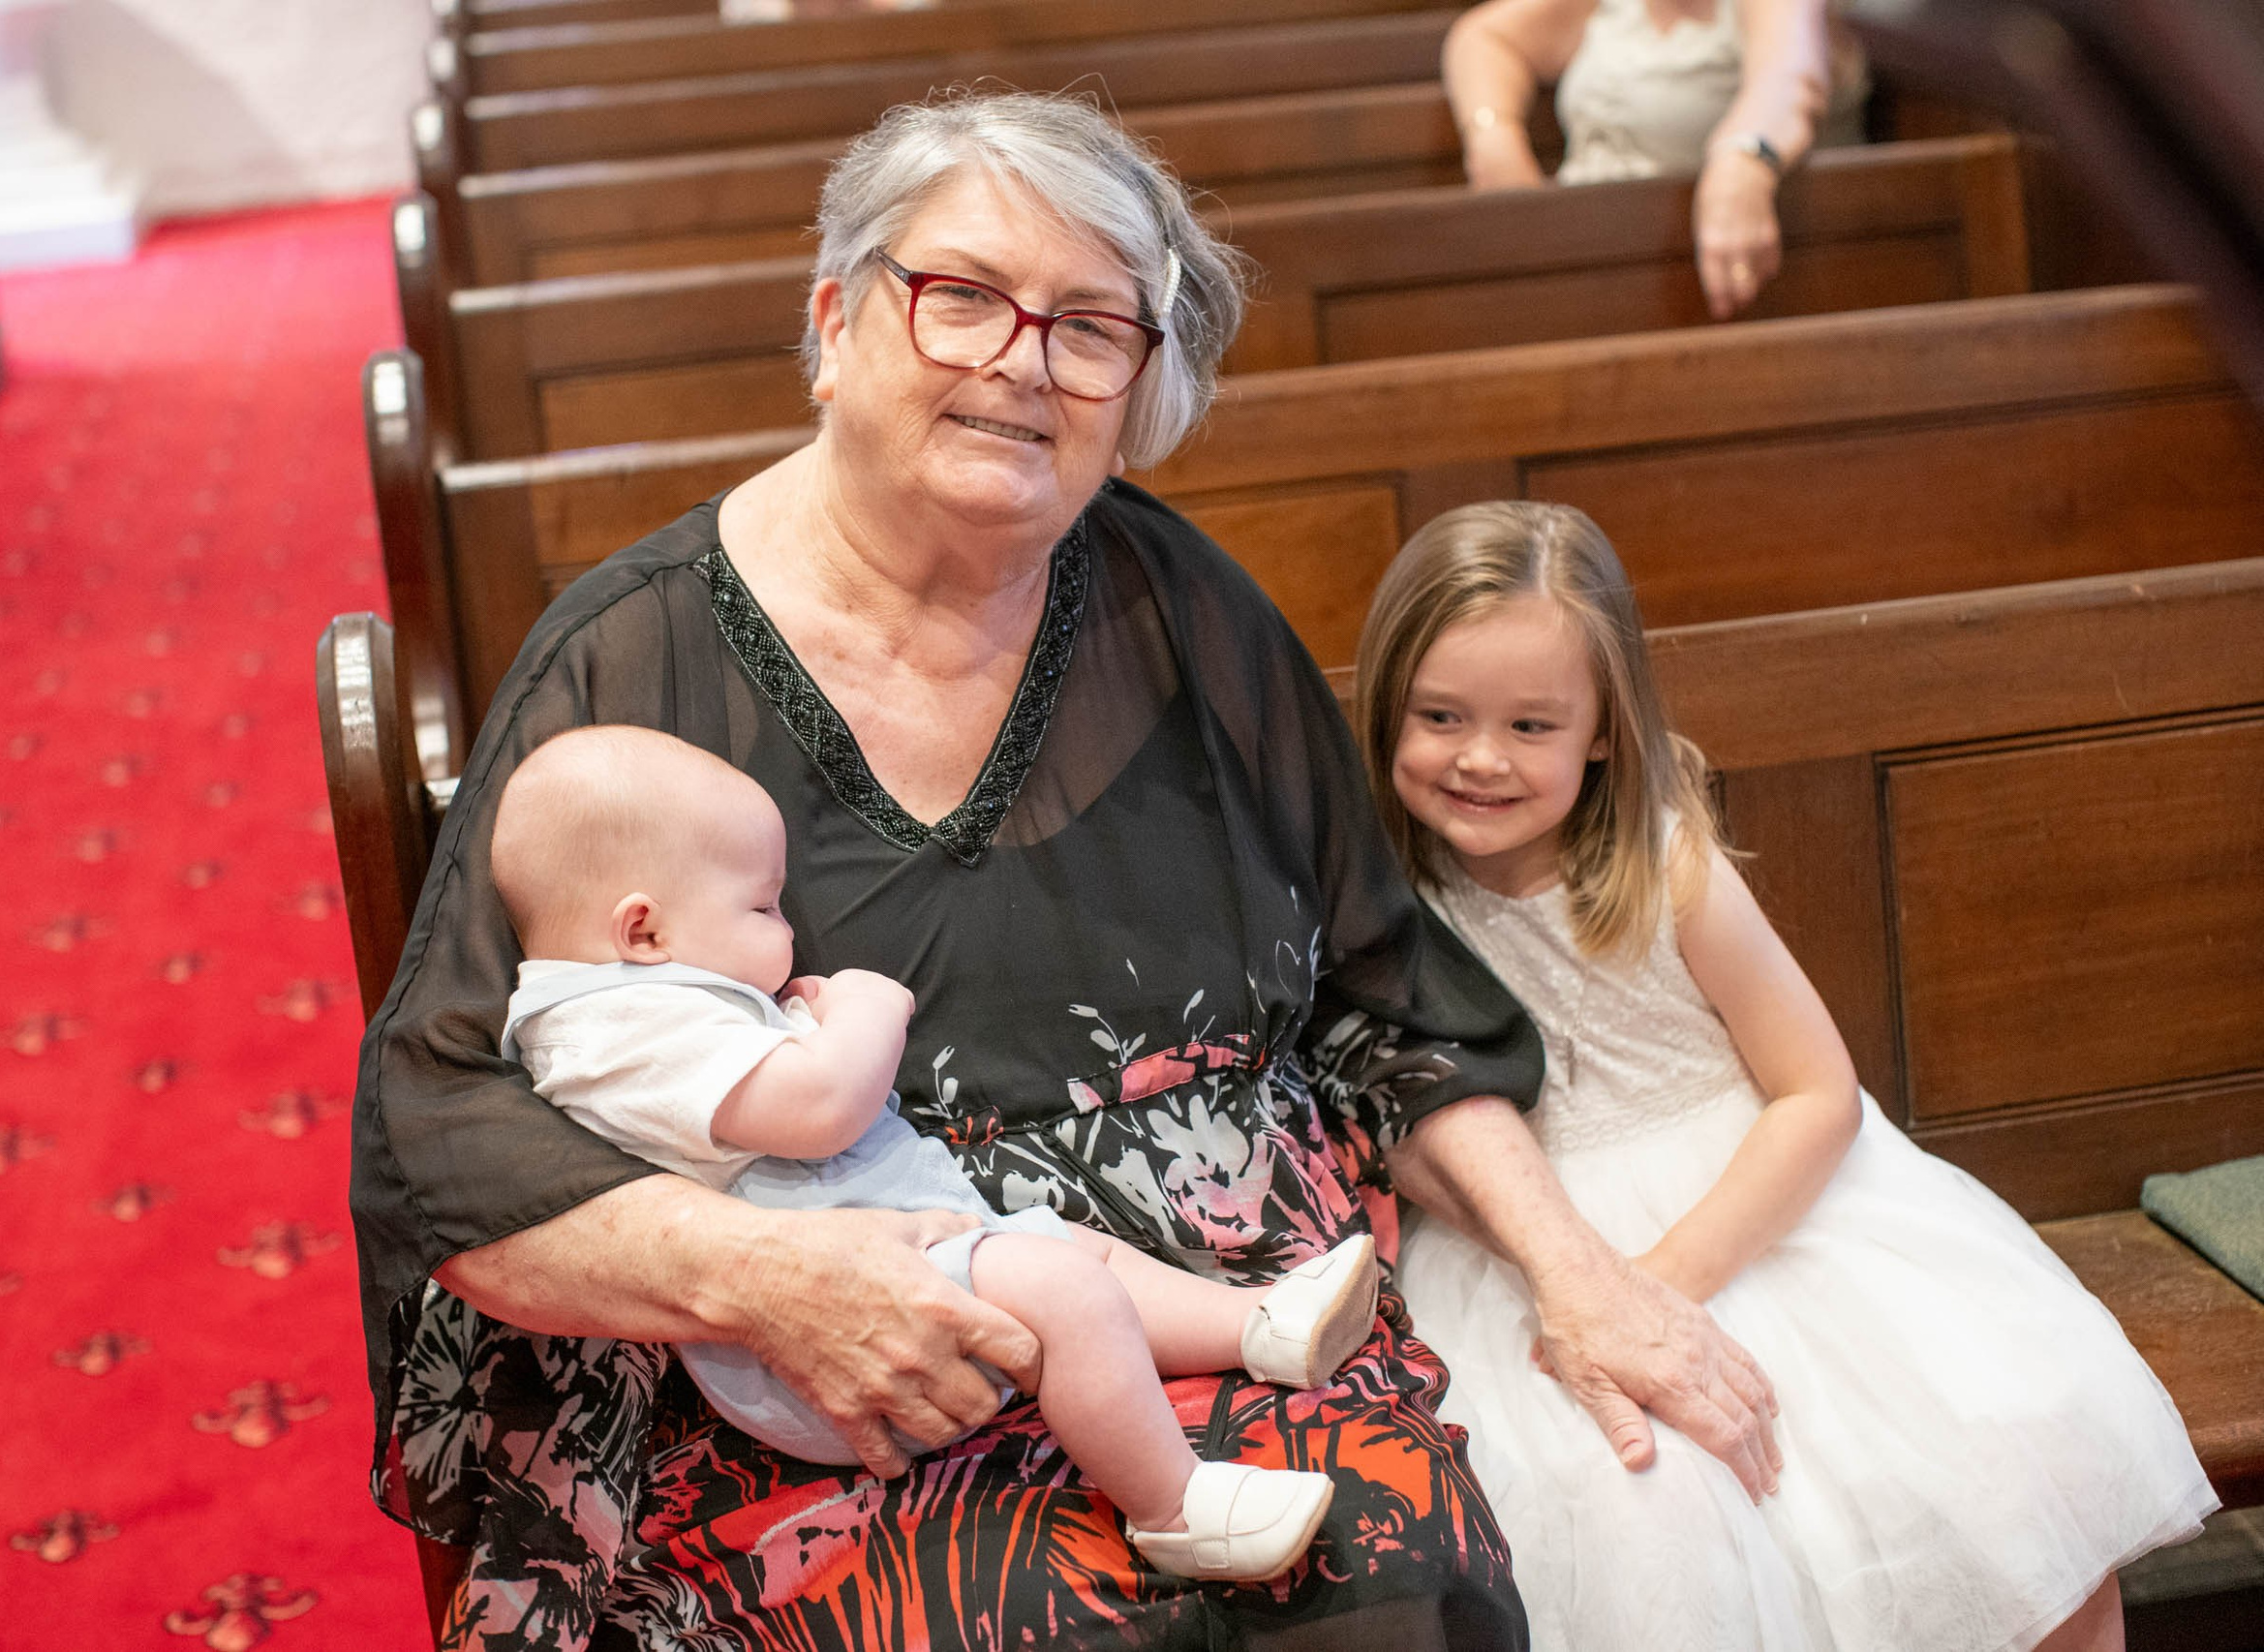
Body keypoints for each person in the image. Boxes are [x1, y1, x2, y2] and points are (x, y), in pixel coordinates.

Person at [353, 90, 1784, 1650]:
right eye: (960, 296)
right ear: (836, 323)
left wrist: (1579, 1276)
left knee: (1385, 1585)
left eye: (1092, 326)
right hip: (814, 1367)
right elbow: (441, 1127)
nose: (1023, 361)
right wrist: (764, 1277)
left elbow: (1390, 997)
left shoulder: (1187, 612)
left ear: (1134, 391)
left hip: (1224, 1317)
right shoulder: (628, 666)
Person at [1352, 501, 2219, 1652]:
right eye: (1440, 715)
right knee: (1642, 1520)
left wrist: (1657, 1283)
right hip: (1519, 1250)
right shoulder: (1376, 898)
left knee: (1998, 1467)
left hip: (1760, 1219)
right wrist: (1596, 1295)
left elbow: (1818, 1092)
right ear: (1385, 707)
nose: (1478, 755)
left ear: (1603, 729)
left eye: (1529, 723)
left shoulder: (1666, 868)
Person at [487, 724, 1385, 1580]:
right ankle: (1174, 1508)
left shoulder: (637, 997)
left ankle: (1259, 1328)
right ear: (642, 931)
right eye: (763, 906)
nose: (787, 930)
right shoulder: (614, 1031)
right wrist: (870, 1005)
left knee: (1078, 1255)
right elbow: (826, 1105)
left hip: (895, 1252)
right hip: (829, 1340)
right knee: (1069, 1294)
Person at [1443, 0, 1870, 319]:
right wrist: (1495, 138)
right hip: (1577, 263)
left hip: (1695, 287)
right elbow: (1484, 37)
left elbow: (1787, 80)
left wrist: (1741, 163)